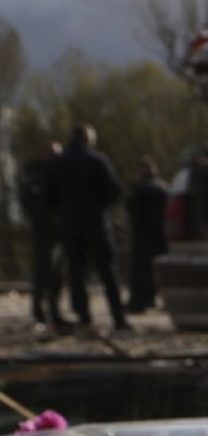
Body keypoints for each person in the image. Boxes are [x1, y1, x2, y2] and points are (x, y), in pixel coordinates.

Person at [46, 123, 131, 334]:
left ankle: (84, 319)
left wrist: (63, 211)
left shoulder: (58, 163)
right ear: (88, 139)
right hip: (97, 223)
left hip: (70, 225)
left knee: (77, 274)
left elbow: (48, 196)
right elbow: (114, 191)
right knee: (108, 272)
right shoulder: (97, 160)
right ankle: (118, 318)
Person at [16, 141, 70, 334]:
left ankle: (54, 312)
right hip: (43, 231)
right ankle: (39, 312)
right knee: (42, 272)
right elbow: (31, 202)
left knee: (57, 274)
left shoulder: (57, 174)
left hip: (57, 231)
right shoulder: (36, 174)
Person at [126, 157, 167, 313]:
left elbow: (135, 212)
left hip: (143, 235)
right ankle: (152, 298)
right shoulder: (163, 187)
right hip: (161, 235)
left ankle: (139, 302)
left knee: (141, 270)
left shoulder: (140, 188)